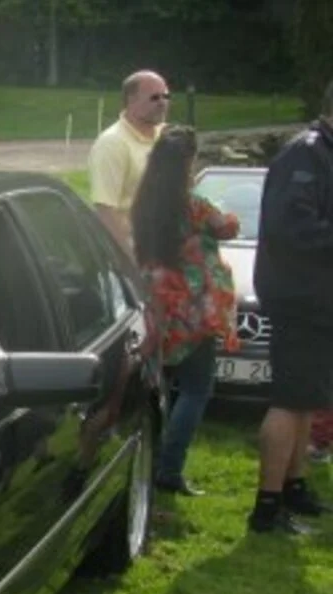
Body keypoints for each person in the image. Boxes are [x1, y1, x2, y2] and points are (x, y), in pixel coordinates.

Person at [130, 125, 239, 498]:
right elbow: (227, 228)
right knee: (196, 389)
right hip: (193, 310)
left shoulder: (143, 203)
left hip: (157, 305)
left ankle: (150, 455)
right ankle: (169, 468)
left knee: (160, 384)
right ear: (188, 163)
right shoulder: (195, 206)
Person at [246, 79, 333, 535]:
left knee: (306, 401)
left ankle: (295, 487)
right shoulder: (305, 155)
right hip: (299, 297)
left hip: (318, 299)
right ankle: (268, 506)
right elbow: (291, 230)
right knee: (289, 400)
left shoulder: (324, 154)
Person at [88, 69, 171, 255]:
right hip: (136, 252)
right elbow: (106, 211)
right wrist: (133, 264)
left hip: (167, 251)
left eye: (166, 96)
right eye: (154, 98)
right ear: (131, 101)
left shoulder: (167, 136)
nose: (162, 103)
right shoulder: (112, 144)